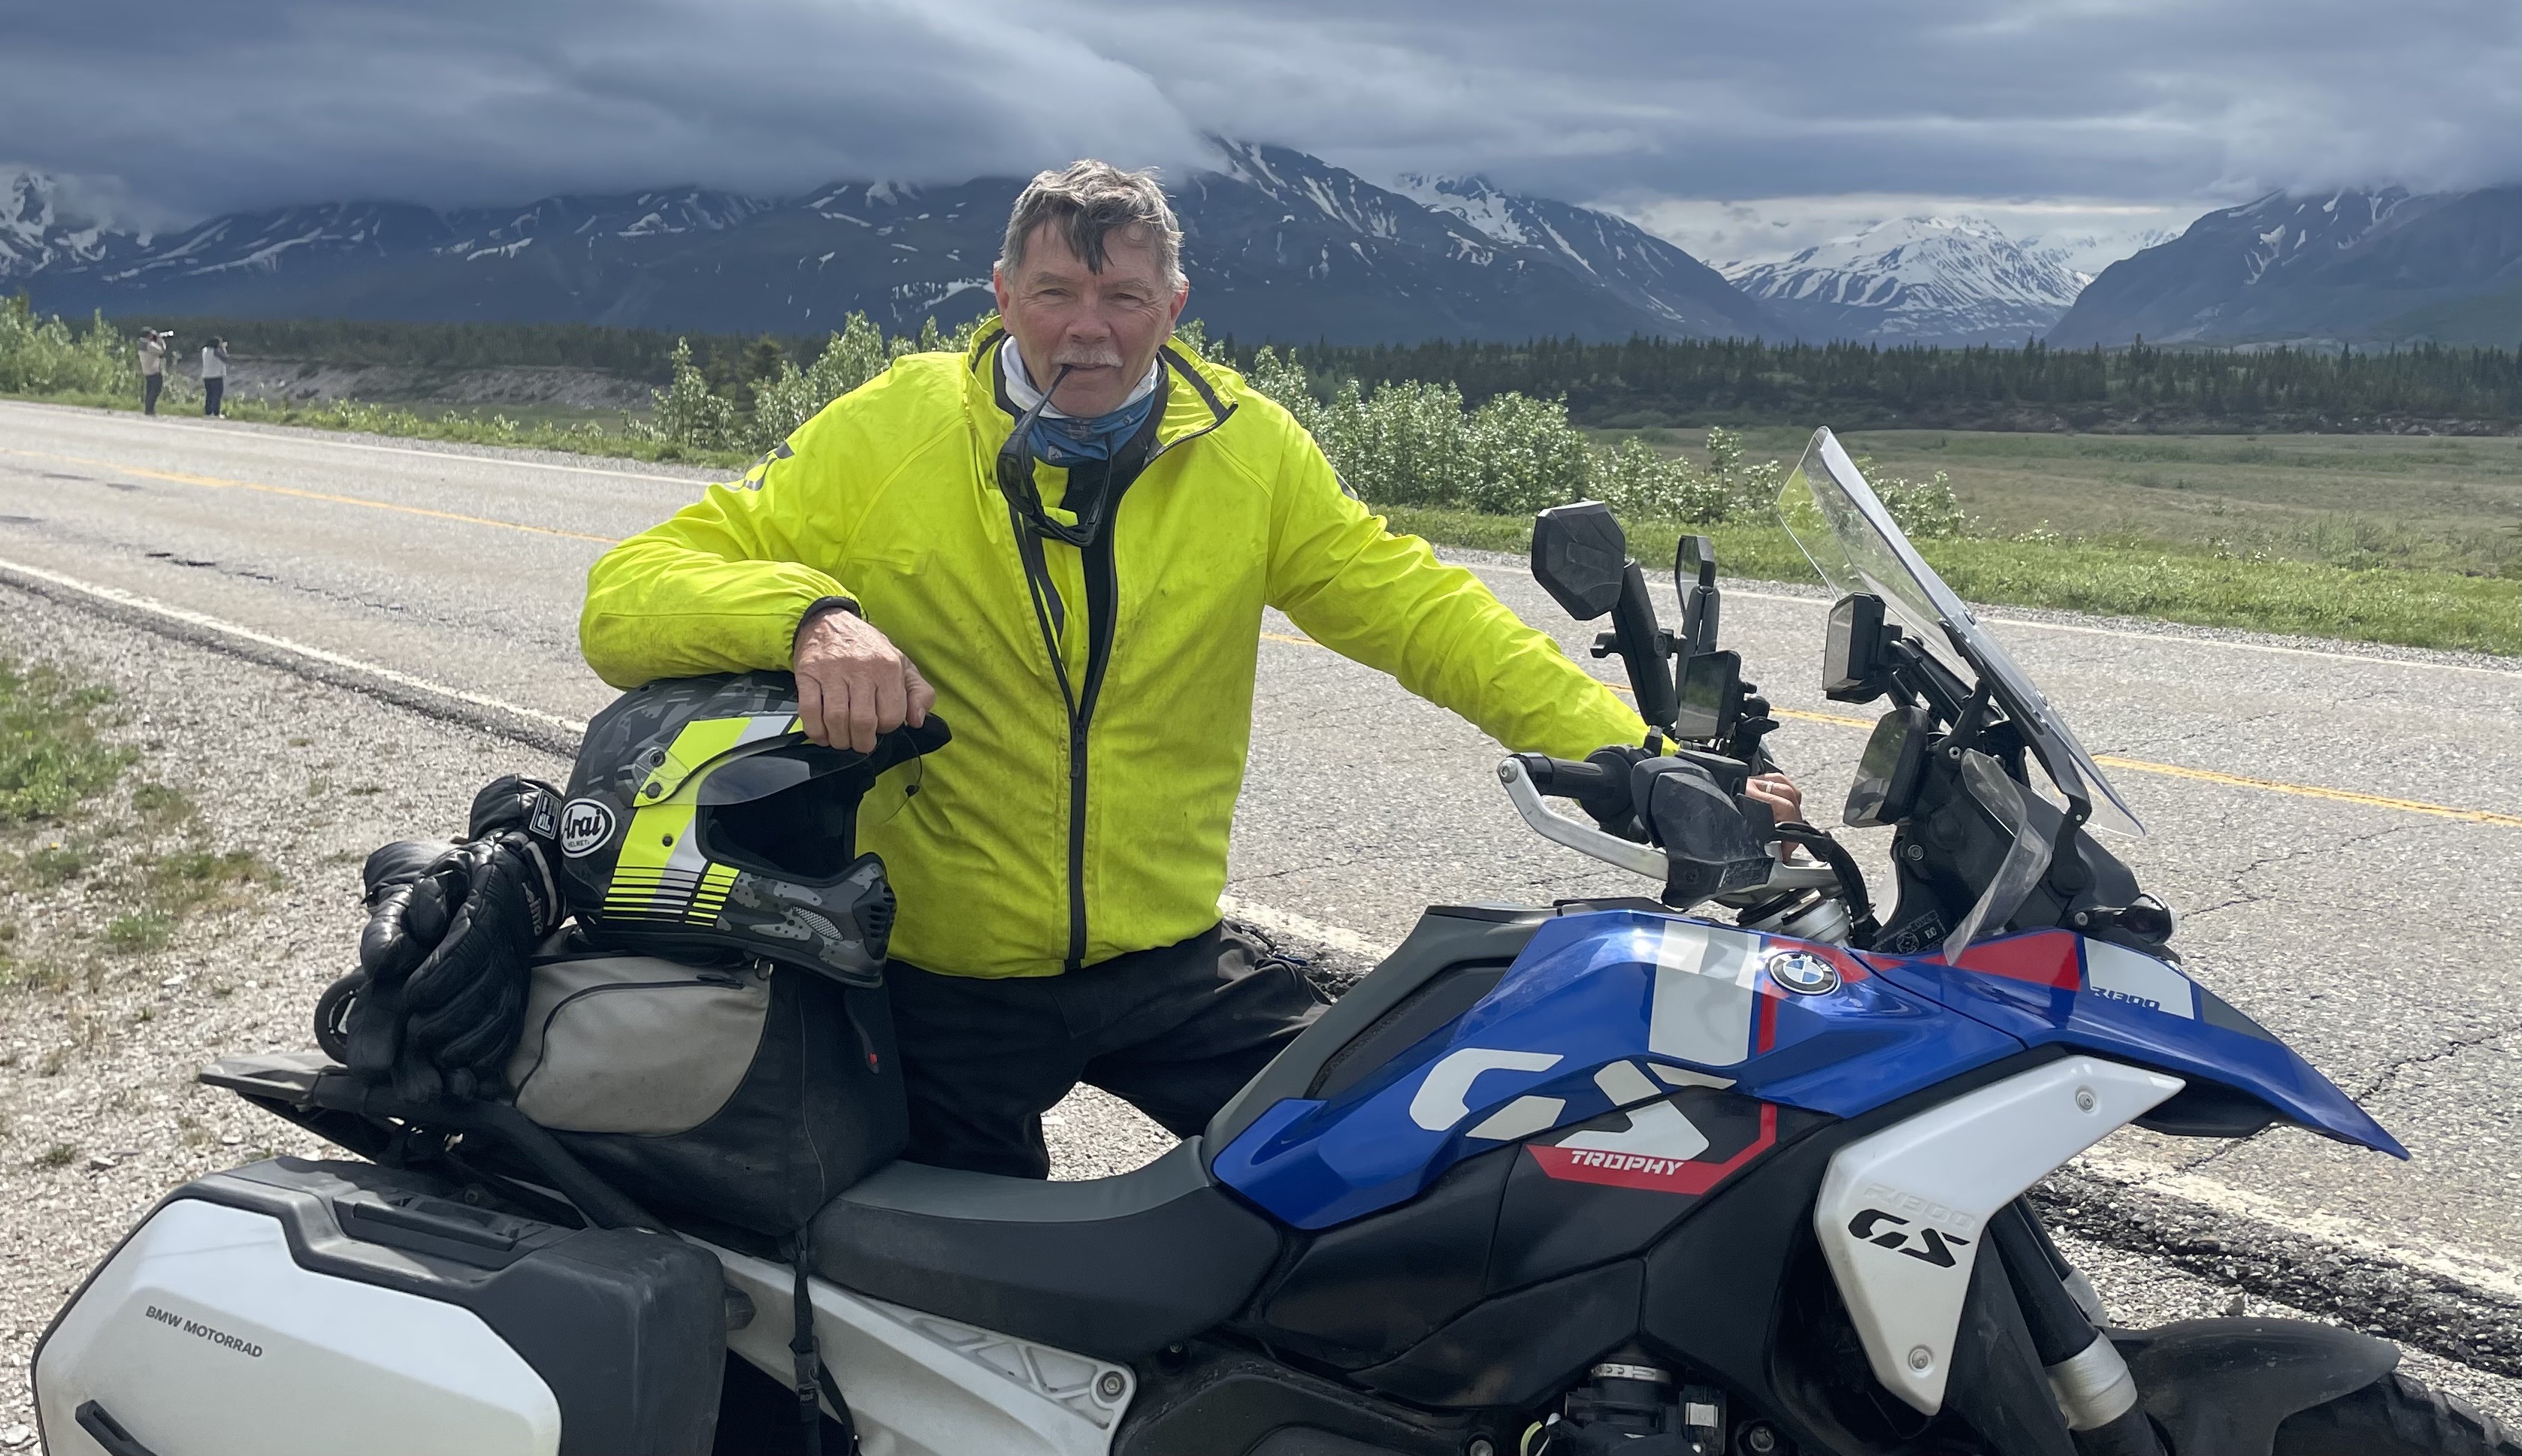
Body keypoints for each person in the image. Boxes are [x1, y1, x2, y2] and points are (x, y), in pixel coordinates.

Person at [581, 161, 1802, 1179]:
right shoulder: (887, 433)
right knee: (947, 1308)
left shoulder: (1247, 451)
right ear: (1003, 296)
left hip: (1165, 965)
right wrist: (811, 620)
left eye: (1121, 294)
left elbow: (1428, 617)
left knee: (1387, 1171)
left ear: (1174, 304)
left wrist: (1647, 764)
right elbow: (627, 591)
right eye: (1055, 291)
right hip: (941, 976)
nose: (1086, 328)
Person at [137, 329, 166, 415]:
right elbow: (162, 350)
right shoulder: (150, 345)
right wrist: (160, 340)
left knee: (149, 391)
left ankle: (148, 409)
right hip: (154, 371)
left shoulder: (141, 344)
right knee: (155, 391)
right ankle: (150, 410)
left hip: (147, 371)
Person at [200, 337, 228, 417]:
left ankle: (208, 412)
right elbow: (225, 358)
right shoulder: (215, 352)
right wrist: (223, 348)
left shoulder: (205, 351)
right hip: (216, 376)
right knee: (217, 395)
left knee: (209, 395)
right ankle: (216, 412)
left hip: (207, 376)